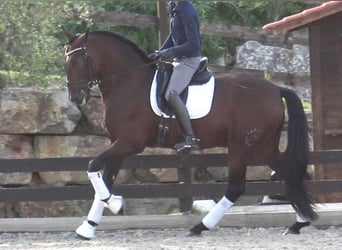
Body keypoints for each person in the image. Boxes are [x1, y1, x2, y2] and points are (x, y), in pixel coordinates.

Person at [150, 0, 202, 152]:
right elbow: (173, 35)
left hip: (189, 61)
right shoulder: (174, 7)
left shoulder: (187, 11)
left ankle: (190, 138)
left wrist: (169, 52)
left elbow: (194, 45)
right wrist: (160, 52)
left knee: (171, 94)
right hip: (179, 59)